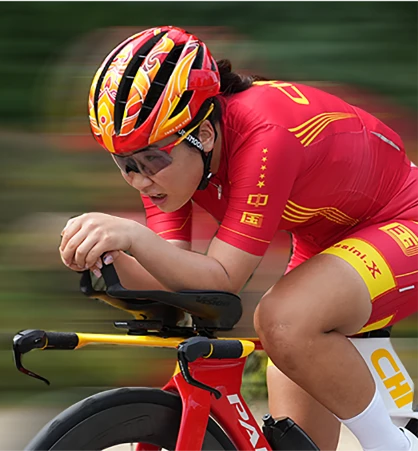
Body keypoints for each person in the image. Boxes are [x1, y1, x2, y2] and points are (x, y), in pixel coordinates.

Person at [59, 25, 418, 451]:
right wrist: (106, 256)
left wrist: (132, 235)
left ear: (204, 134)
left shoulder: (265, 136)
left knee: (283, 320)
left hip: (402, 218)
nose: (140, 179)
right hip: (327, 239)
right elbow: (176, 274)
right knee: (300, 439)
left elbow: (221, 278)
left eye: (152, 158)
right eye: (125, 163)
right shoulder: (173, 169)